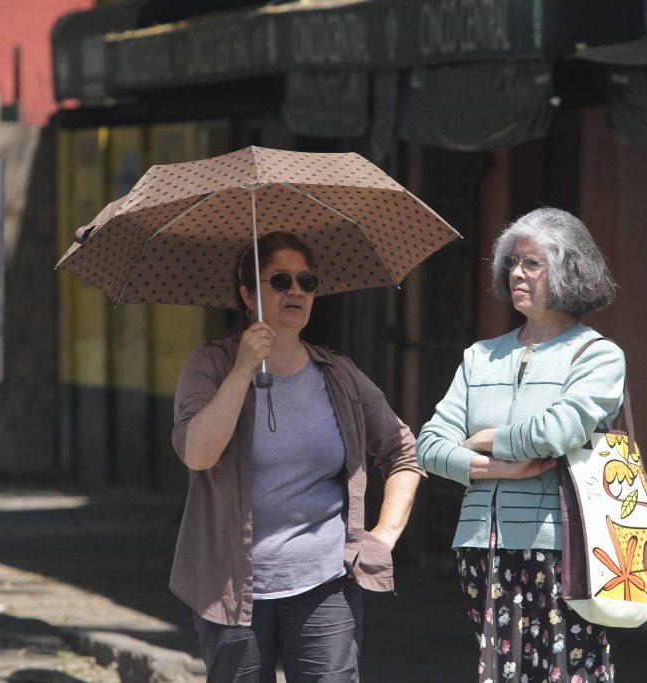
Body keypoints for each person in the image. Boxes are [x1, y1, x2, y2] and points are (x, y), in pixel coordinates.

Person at [171, 231, 423, 683]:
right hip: (231, 589)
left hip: (324, 584)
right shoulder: (210, 365)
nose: (297, 291)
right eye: (280, 280)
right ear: (248, 294)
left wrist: (383, 536)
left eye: (307, 281)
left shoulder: (338, 373)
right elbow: (198, 454)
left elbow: (403, 450)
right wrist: (244, 369)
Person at [416, 207, 623, 683]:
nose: (516, 273)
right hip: (480, 546)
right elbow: (429, 445)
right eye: (512, 262)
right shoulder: (480, 357)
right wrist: (500, 469)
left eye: (532, 264)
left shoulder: (598, 355)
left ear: (569, 271)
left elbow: (558, 431)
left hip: (562, 547)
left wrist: (485, 439)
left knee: (567, 671)